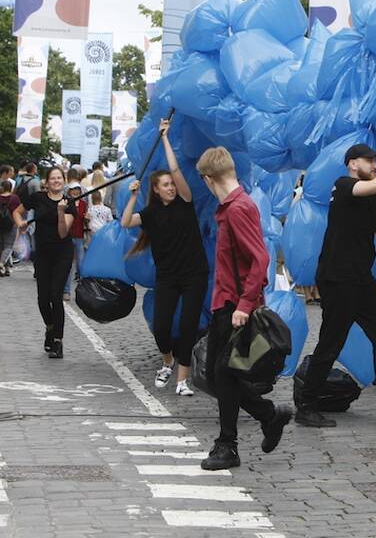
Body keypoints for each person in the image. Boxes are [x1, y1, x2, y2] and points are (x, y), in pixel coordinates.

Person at [295, 143, 376, 428]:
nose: (375, 165)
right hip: (338, 277)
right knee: (331, 341)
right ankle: (306, 405)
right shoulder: (343, 185)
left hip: (362, 278)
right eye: (369, 160)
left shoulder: (374, 196)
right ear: (353, 163)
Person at [196, 146, 292, 471]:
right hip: (227, 303)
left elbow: (260, 258)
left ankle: (228, 445)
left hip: (235, 307)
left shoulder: (239, 209)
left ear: (209, 179)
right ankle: (268, 416)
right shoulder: (234, 207)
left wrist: (245, 305)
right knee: (219, 375)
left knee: (222, 375)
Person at [123, 118, 209, 397]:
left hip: (194, 273)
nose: (171, 187)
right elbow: (125, 222)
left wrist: (165, 138)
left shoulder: (185, 202)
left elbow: (174, 167)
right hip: (168, 276)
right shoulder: (150, 214)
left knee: (188, 326)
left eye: (172, 183)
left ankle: (182, 380)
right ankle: (167, 362)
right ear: (156, 190)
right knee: (162, 326)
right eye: (165, 185)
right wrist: (134, 196)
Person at [13, 166, 76, 359]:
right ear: (47, 182)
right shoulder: (38, 198)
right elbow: (17, 211)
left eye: (59, 178)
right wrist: (20, 224)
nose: (56, 181)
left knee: (56, 296)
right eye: (53, 178)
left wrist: (60, 212)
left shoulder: (69, 203)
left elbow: (63, 233)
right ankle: (50, 327)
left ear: (64, 180)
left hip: (62, 253)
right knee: (42, 300)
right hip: (42, 253)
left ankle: (58, 341)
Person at [0, 180, 21, 277]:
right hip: (12, 224)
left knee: (2, 246)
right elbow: (18, 212)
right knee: (9, 246)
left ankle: (6, 269)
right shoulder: (15, 199)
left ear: (2, 187)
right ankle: (1, 264)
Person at [63, 179, 87, 302]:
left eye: (77, 190)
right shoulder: (66, 203)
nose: (75, 192)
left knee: (81, 263)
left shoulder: (83, 203)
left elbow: (85, 218)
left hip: (79, 236)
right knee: (69, 265)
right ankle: (66, 291)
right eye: (73, 190)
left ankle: (84, 291)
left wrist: (87, 218)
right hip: (68, 236)